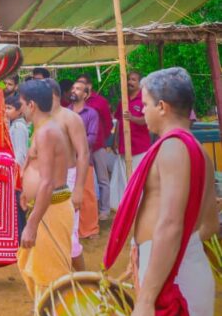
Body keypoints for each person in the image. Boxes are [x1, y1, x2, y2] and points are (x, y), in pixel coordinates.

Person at [104, 67, 220, 316]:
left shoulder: (172, 148)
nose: (144, 111)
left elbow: (171, 223)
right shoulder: (197, 151)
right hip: (181, 266)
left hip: (174, 279)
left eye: (147, 104)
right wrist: (153, 253)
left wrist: (147, 297)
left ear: (163, 106)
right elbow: (208, 223)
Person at [17, 79, 74, 316]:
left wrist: (31, 225)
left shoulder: (47, 132)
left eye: (20, 104)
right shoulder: (41, 129)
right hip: (44, 209)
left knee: (48, 274)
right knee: (29, 265)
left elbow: (49, 182)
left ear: (31, 104)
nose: (19, 109)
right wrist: (25, 193)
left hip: (51, 210)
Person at [46, 79, 91, 270]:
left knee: (70, 236)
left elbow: (84, 153)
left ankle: (87, 285)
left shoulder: (71, 118)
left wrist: (79, 188)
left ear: (53, 95)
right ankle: (60, 282)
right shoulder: (43, 118)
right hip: (48, 182)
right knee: (51, 234)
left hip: (69, 181)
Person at [110, 69, 151, 210]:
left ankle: (141, 206)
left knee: (139, 178)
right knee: (123, 178)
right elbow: (119, 122)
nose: (129, 82)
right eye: (128, 79)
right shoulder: (123, 100)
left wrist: (133, 118)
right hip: (123, 147)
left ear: (140, 83)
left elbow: (147, 120)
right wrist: (115, 140)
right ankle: (125, 206)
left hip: (139, 147)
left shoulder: (145, 99)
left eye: (133, 80)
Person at [69, 79, 108, 223]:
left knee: (88, 196)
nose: (74, 90)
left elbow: (91, 139)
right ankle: (73, 228)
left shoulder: (91, 113)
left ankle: (90, 229)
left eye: (78, 89)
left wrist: (71, 144)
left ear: (86, 95)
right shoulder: (65, 112)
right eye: (73, 88)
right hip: (67, 163)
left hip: (85, 160)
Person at [5, 93, 29, 241]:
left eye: (9, 108)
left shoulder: (19, 127)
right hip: (17, 172)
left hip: (17, 173)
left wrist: (15, 174)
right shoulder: (15, 124)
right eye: (5, 107)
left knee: (19, 206)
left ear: (20, 110)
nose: (6, 111)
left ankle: (21, 237)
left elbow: (20, 155)